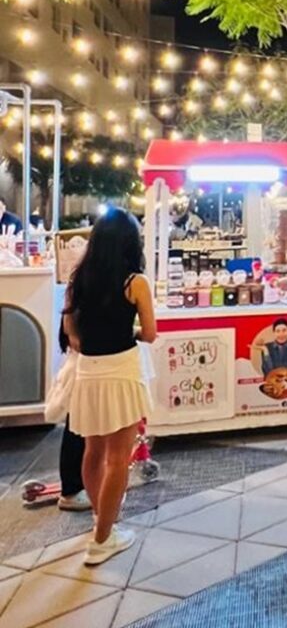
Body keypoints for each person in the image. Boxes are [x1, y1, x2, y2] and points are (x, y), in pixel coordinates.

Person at [64, 207, 156, 566]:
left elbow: (71, 332)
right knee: (119, 457)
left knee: (93, 452)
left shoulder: (79, 278)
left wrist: (92, 341)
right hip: (122, 370)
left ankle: (100, 521)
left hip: (89, 372)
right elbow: (150, 333)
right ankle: (102, 539)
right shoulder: (136, 282)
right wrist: (128, 331)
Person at [56, 318, 90, 512]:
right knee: (78, 427)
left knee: (84, 427)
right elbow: (73, 336)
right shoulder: (80, 298)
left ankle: (78, 485)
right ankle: (71, 489)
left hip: (90, 364)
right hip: (87, 366)